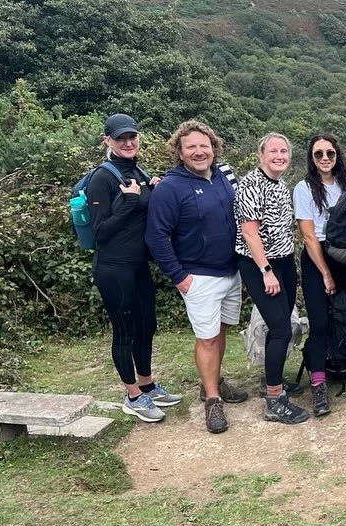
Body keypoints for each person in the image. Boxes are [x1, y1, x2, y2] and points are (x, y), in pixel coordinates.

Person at [146, 120, 247, 435]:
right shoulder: (170, 188)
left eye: (205, 146)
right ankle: (212, 400)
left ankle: (212, 382)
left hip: (231, 271)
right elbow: (157, 236)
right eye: (191, 146)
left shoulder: (222, 178)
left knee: (221, 331)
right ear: (179, 151)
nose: (199, 151)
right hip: (198, 276)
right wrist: (179, 277)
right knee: (206, 337)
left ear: (214, 149)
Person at [89, 113, 180, 423]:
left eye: (132, 137)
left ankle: (148, 385)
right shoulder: (102, 178)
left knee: (147, 326)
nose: (127, 142)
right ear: (108, 141)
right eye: (120, 138)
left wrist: (154, 188)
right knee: (125, 332)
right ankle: (132, 396)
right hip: (114, 268)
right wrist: (129, 202)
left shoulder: (138, 171)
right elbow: (100, 232)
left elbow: (146, 210)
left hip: (138, 265)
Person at [234, 133, 310, 426]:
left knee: (280, 325)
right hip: (260, 266)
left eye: (284, 151)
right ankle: (274, 400)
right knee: (280, 329)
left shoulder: (279, 184)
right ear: (261, 155)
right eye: (273, 151)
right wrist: (266, 271)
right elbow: (249, 232)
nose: (280, 156)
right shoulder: (251, 184)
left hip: (285, 262)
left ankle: (272, 377)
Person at [294, 133, 346, 417]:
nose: (324, 159)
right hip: (317, 256)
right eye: (318, 154)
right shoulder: (304, 188)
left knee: (340, 315)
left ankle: (337, 364)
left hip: (344, 256)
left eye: (329, 153)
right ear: (311, 158)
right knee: (319, 321)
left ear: (337, 155)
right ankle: (318, 382)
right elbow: (308, 236)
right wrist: (325, 274)